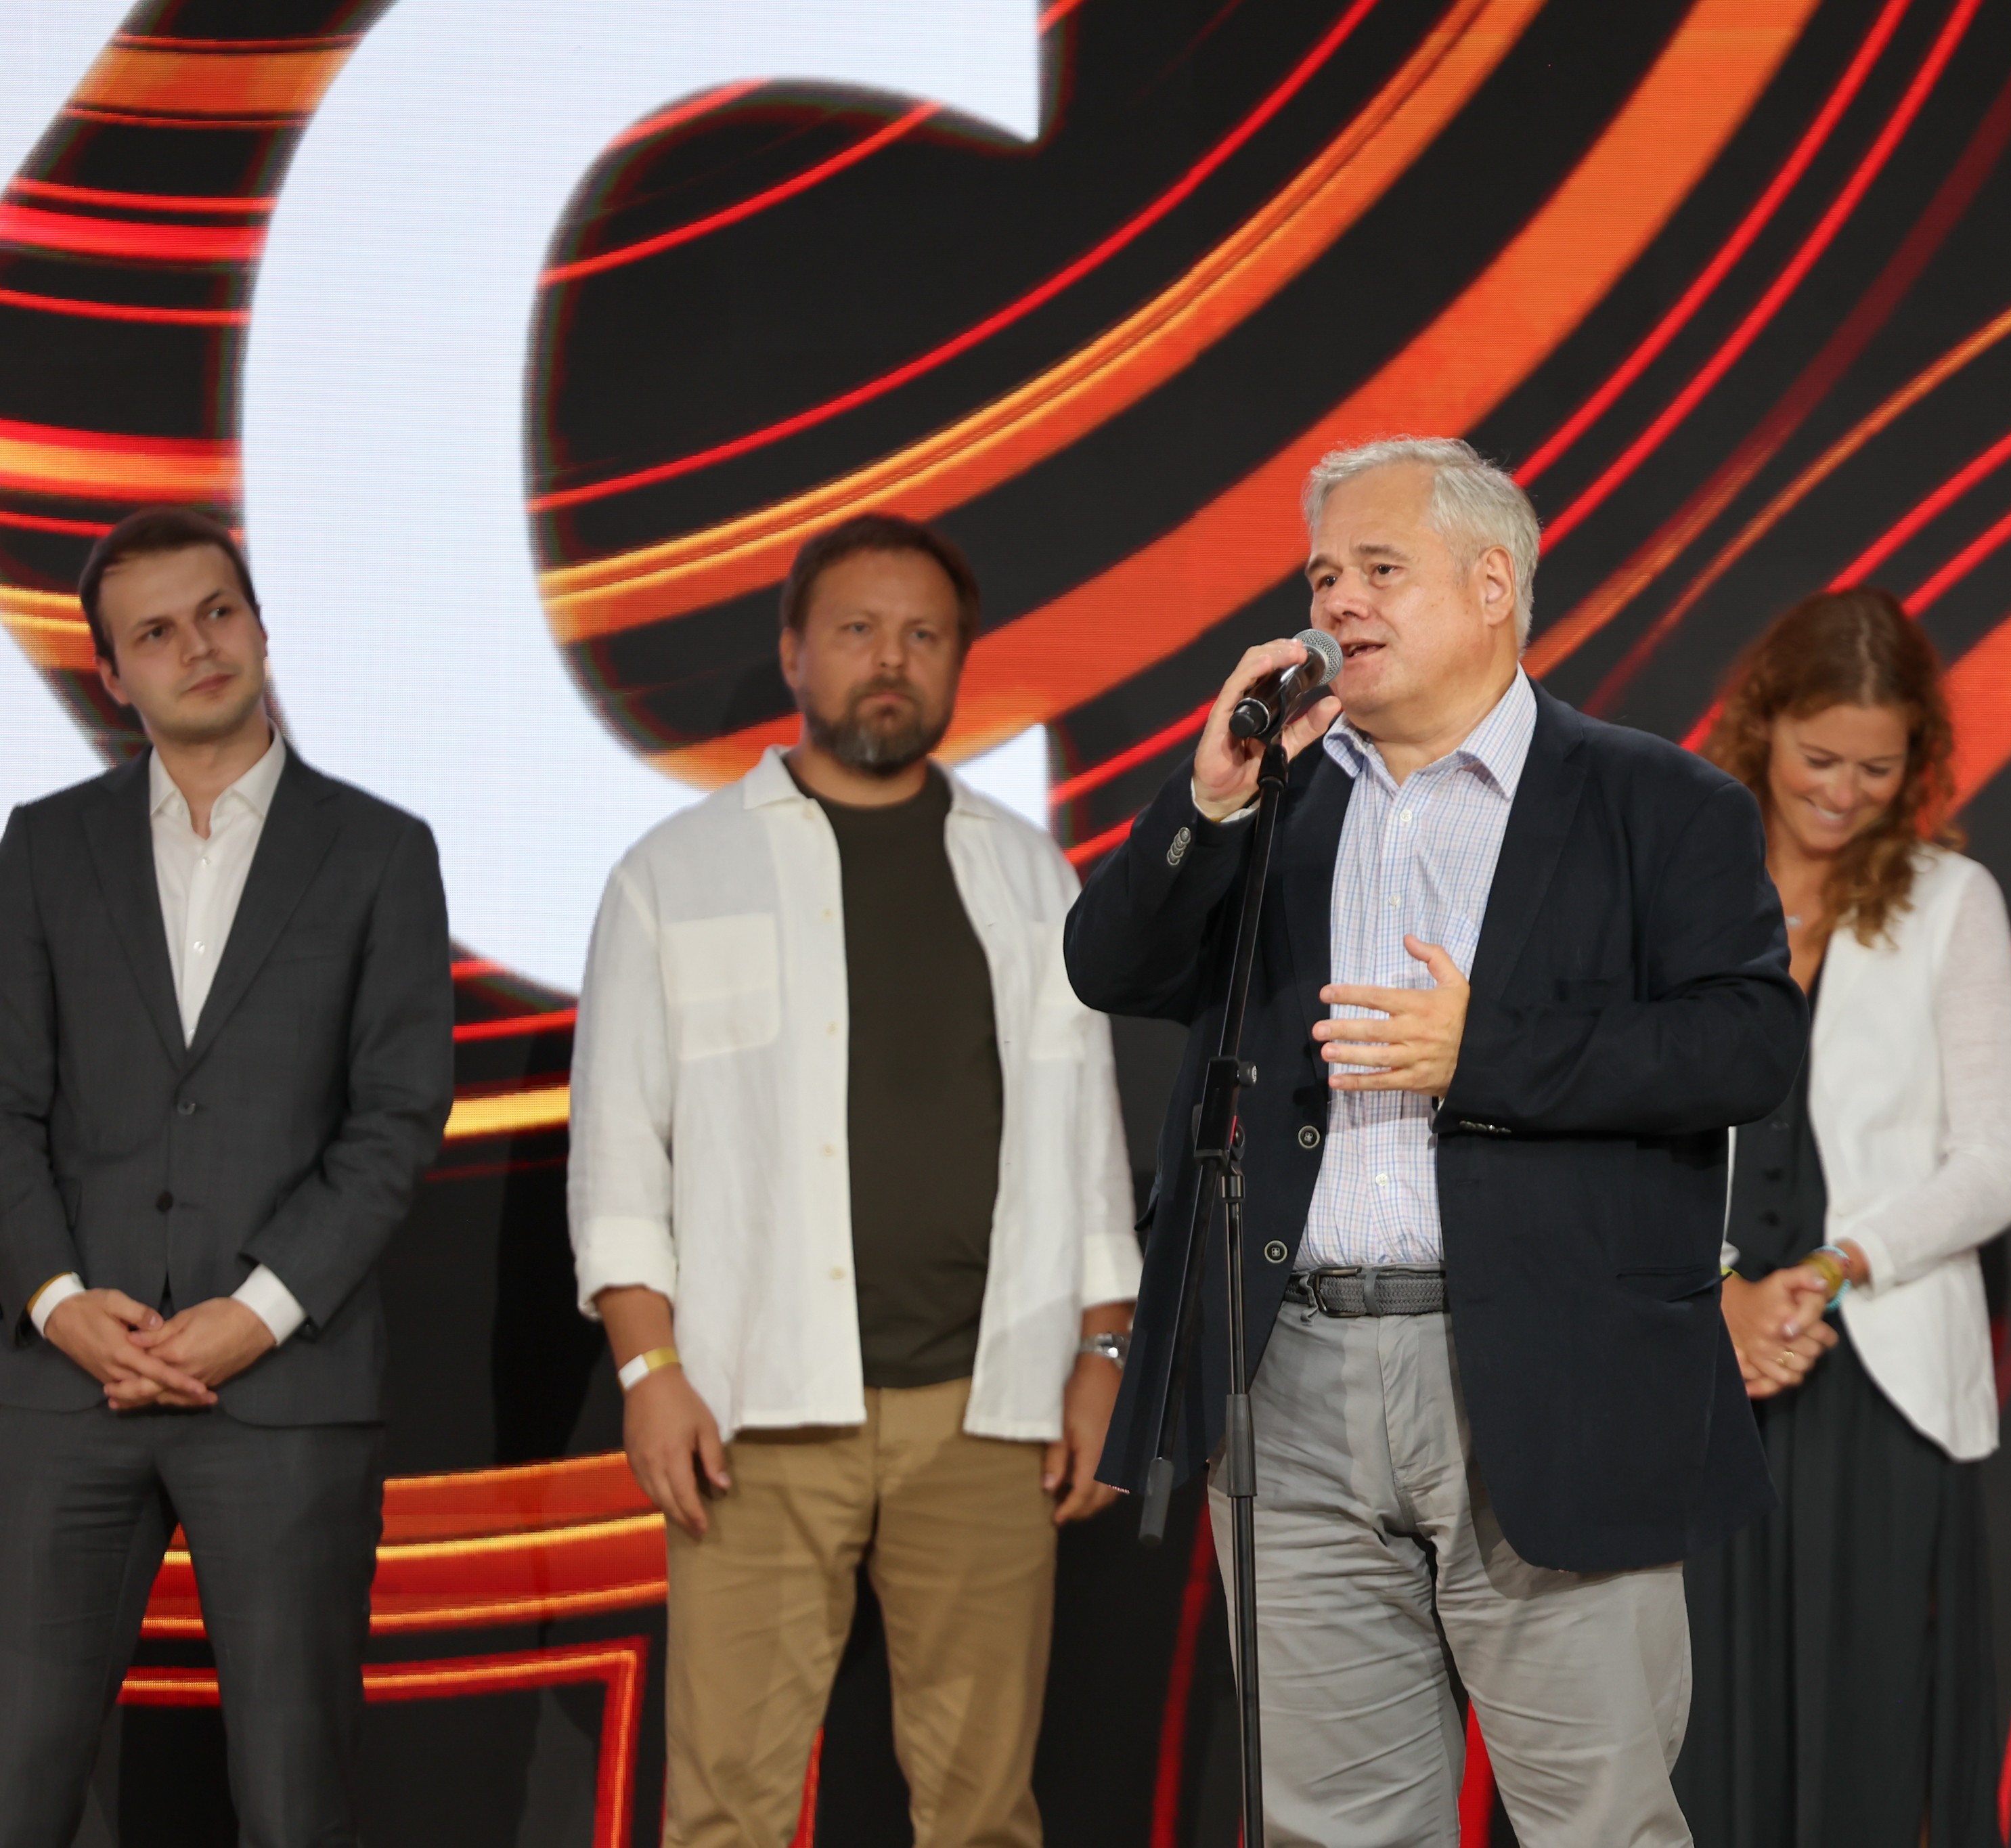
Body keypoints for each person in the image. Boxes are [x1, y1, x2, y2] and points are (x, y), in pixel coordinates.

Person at [1065, 435, 1805, 1847]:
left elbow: (1747, 1047)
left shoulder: (1658, 802)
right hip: (1290, 1374)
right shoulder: (1274, 796)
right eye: (1321, 575)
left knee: (1597, 1824)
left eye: (1378, 569)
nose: (1337, 601)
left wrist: (1489, 1056)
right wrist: (1209, 798)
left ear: (1491, 586)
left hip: (1546, 1376)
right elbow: (1109, 964)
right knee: (1331, 1832)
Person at [566, 513, 1139, 1848]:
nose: (891, 659)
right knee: (728, 1807)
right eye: (858, 630)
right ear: (794, 653)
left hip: (988, 1408)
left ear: (958, 661)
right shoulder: (675, 873)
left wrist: (1103, 1353)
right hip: (755, 1411)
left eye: (923, 634)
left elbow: (1087, 1140)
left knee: (983, 1810)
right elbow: (617, 1156)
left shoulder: (1027, 872)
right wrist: (649, 1373)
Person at [0, 507, 454, 1848]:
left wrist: (256, 1313)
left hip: (285, 1390)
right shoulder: (44, 846)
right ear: (112, 674)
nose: (197, 647)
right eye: (155, 632)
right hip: (67, 1387)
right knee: (16, 1780)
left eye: (217, 612)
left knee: (295, 1797)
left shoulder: (378, 850)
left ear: (259, 625)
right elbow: (3, 1102)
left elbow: (396, 1118)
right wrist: (57, 1302)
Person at [1675, 589, 2011, 1848]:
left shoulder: (1951, 901)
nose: (1843, 793)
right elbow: (1625, 1131)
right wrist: (1721, 1292)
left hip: (1876, 1384)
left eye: (1877, 769)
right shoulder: (1680, 893)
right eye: (1820, 758)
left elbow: (1992, 1167)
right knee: (1692, 1734)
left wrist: (1832, 1265)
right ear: (1762, 726)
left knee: (1866, 1738)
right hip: (1698, 1370)